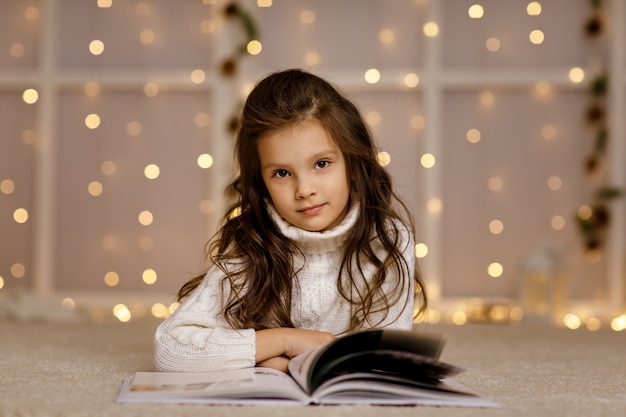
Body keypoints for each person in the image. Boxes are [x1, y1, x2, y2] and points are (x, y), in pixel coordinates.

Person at [153, 68, 427, 373]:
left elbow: (385, 354)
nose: (304, 190)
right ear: (261, 182)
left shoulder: (386, 240)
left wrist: (275, 361)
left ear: (352, 161)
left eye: (321, 164)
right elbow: (170, 349)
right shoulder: (251, 245)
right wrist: (284, 341)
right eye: (281, 173)